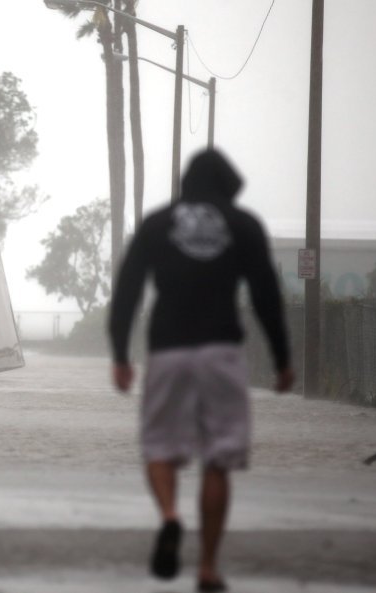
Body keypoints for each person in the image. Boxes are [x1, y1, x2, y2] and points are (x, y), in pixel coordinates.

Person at [108, 148, 294, 592]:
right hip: (221, 351)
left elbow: (128, 290)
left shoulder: (157, 223)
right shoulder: (243, 225)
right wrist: (283, 358)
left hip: (168, 349)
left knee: (158, 447)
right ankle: (208, 567)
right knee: (219, 458)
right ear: (228, 185)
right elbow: (266, 293)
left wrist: (119, 354)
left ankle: (170, 517)